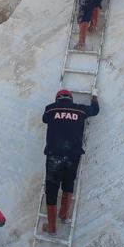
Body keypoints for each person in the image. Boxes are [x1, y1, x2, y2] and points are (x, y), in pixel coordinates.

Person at [41, 88, 100, 235]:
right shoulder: (80, 110)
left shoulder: (51, 109)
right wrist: (94, 97)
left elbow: (44, 119)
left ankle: (52, 227)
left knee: (52, 190)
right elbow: (95, 110)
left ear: (57, 98)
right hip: (73, 155)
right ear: (71, 99)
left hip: (55, 155)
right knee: (68, 184)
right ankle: (64, 215)